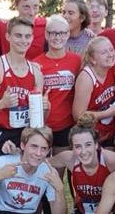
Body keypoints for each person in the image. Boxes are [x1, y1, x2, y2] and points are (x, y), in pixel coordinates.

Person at [0, 17, 44, 157]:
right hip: (4, 134)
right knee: (9, 177)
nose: (23, 40)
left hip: (29, 134)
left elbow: (39, 117)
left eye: (27, 36)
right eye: (18, 35)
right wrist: (1, 104)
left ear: (32, 38)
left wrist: (45, 107)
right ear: (8, 36)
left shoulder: (36, 72)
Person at [0, 127, 67, 214]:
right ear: (23, 145)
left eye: (43, 149)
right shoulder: (3, 162)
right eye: (34, 146)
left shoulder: (48, 171)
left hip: (28, 213)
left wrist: (60, 190)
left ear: (48, 151)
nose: (38, 153)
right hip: (0, 211)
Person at [47, 124, 115, 214]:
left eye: (88, 145)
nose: (83, 151)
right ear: (72, 148)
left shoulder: (111, 160)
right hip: (82, 212)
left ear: (96, 144)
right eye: (78, 146)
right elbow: (43, 162)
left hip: (111, 212)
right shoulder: (69, 159)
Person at [33, 15, 81, 155]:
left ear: (67, 35)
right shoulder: (36, 63)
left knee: (59, 169)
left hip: (66, 125)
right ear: (46, 35)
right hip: (43, 125)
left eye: (61, 33)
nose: (57, 37)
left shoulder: (76, 60)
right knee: (41, 169)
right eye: (53, 33)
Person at [73, 37, 115, 146]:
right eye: (104, 52)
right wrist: (107, 113)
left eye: (111, 50)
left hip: (110, 133)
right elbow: (78, 116)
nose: (110, 54)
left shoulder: (113, 67)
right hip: (90, 137)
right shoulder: (86, 78)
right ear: (93, 59)